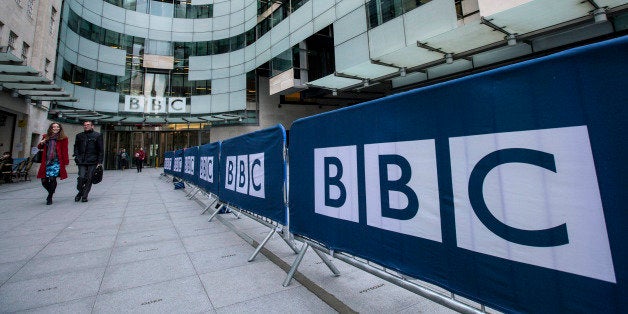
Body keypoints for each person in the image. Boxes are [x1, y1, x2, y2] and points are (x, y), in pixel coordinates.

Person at [36, 123, 70, 205]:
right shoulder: (46, 136)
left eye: (58, 127)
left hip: (56, 161)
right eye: (54, 127)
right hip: (46, 161)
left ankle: (49, 197)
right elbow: (39, 147)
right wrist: (42, 142)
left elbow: (65, 150)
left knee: (52, 178)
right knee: (43, 180)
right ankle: (51, 190)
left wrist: (66, 162)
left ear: (60, 128)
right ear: (51, 128)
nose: (56, 128)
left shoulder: (63, 138)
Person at [74, 120, 103, 202]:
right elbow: (76, 147)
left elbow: (101, 149)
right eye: (84, 125)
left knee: (89, 178)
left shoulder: (98, 135)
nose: (86, 126)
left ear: (92, 126)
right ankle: (80, 192)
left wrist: (100, 162)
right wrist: (76, 156)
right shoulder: (79, 136)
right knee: (81, 177)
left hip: (93, 160)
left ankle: (84, 195)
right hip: (81, 160)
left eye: (88, 124)